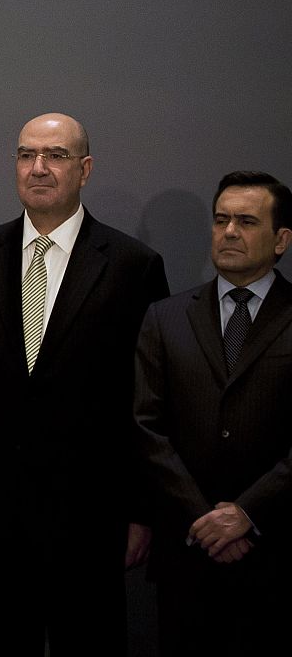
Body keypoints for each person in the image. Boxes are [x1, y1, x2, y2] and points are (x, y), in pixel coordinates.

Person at [0, 112, 169, 655]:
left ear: (84, 169)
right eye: (26, 155)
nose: (38, 168)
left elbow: (147, 402)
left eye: (55, 156)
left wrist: (141, 511)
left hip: (91, 520)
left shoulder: (133, 266)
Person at [134, 170, 292, 656]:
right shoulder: (166, 316)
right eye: (221, 220)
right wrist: (205, 518)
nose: (228, 232)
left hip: (278, 554)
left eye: (246, 221)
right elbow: (145, 426)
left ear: (281, 239)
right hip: (188, 552)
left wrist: (247, 512)